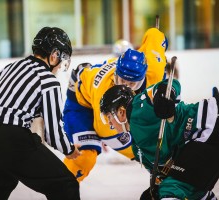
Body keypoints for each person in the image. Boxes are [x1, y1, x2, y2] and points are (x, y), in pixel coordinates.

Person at [0, 27, 81, 200]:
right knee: (65, 184)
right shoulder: (48, 80)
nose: (60, 66)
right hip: (8, 140)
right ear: (54, 54)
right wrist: (70, 150)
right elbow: (53, 131)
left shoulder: (9, 68)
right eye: (62, 58)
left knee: (1, 179)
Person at [63, 27, 168, 182]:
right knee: (84, 157)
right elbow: (108, 133)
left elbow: (154, 35)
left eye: (131, 83)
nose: (124, 86)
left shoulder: (155, 69)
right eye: (120, 80)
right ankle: (60, 190)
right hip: (82, 104)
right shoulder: (104, 92)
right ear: (116, 74)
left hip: (96, 88)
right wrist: (153, 161)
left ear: (142, 78)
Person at [100, 80, 219, 199]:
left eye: (108, 117)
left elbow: (170, 84)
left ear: (121, 112)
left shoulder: (138, 107)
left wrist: (163, 95)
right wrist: (155, 191)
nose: (110, 124)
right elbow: (163, 175)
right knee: (188, 190)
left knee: (174, 189)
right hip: (203, 139)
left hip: (212, 124)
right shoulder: (137, 148)